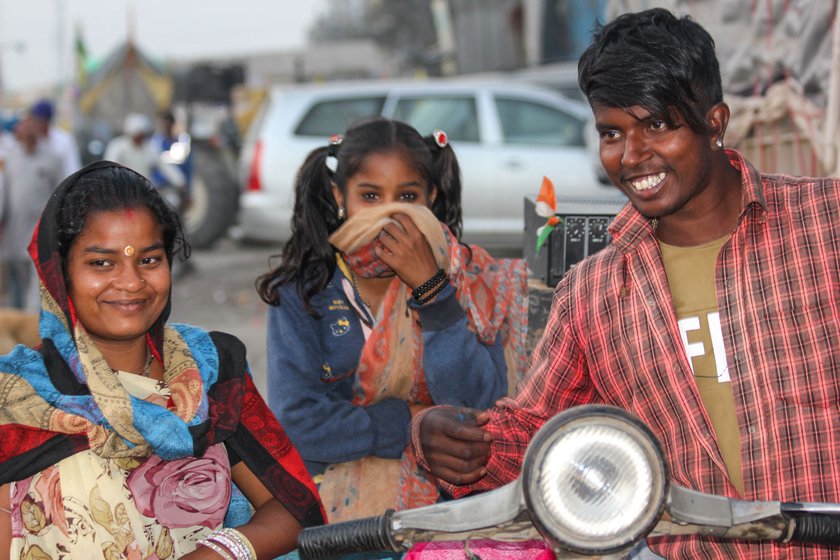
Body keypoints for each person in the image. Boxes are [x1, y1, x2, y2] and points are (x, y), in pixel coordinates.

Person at [414, 8, 840, 560]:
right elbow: (538, 434)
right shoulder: (593, 291)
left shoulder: (825, 225)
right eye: (612, 132)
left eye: (658, 124)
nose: (632, 156)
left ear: (715, 122)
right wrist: (456, 440)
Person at [0, 161, 325, 559]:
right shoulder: (19, 399)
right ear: (58, 274)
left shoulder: (207, 371)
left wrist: (216, 554)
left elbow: (296, 508)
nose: (132, 282)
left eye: (149, 260)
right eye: (101, 263)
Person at [257, 117, 528, 524]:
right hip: (341, 515)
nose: (388, 213)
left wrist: (433, 292)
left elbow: (481, 404)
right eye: (370, 196)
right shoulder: (305, 294)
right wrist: (411, 428)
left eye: (407, 195)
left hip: (455, 506)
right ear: (340, 197)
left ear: (431, 199)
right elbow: (298, 421)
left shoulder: (467, 279)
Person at [0, 115, 63, 311]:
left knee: (38, 283)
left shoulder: (52, 158)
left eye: (31, 127)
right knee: (18, 280)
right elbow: (4, 195)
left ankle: (34, 327)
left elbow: (59, 192)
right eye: (24, 128)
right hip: (15, 230)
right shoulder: (9, 159)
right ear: (19, 132)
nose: (28, 132)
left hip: (41, 231)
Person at [29, 99, 82, 178]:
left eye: (37, 120)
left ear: (45, 120)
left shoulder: (65, 139)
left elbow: (72, 167)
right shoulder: (34, 141)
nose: (34, 124)